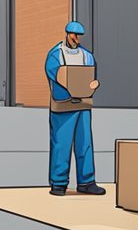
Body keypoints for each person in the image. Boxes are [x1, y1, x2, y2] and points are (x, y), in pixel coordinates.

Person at [45, 21, 106, 196]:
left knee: (84, 143)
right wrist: (71, 88)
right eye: (74, 35)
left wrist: (92, 86)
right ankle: (59, 182)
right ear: (67, 33)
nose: (76, 39)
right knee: (61, 143)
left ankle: (86, 181)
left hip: (83, 105)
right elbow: (54, 75)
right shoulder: (56, 55)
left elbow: (92, 76)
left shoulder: (87, 56)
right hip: (63, 105)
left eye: (79, 36)